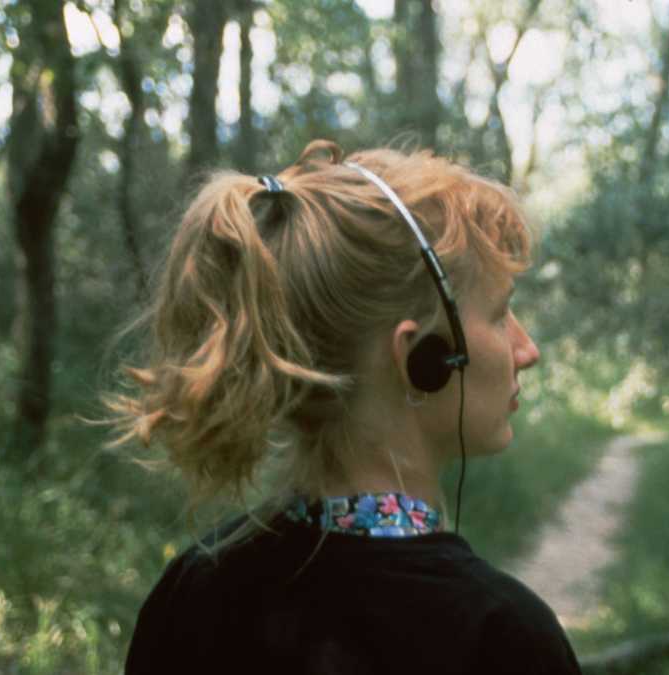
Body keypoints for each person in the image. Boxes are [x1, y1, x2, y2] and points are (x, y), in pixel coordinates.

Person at [112, 139, 581, 674]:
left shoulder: (191, 593)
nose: (527, 349)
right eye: (499, 315)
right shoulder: (502, 637)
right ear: (422, 356)